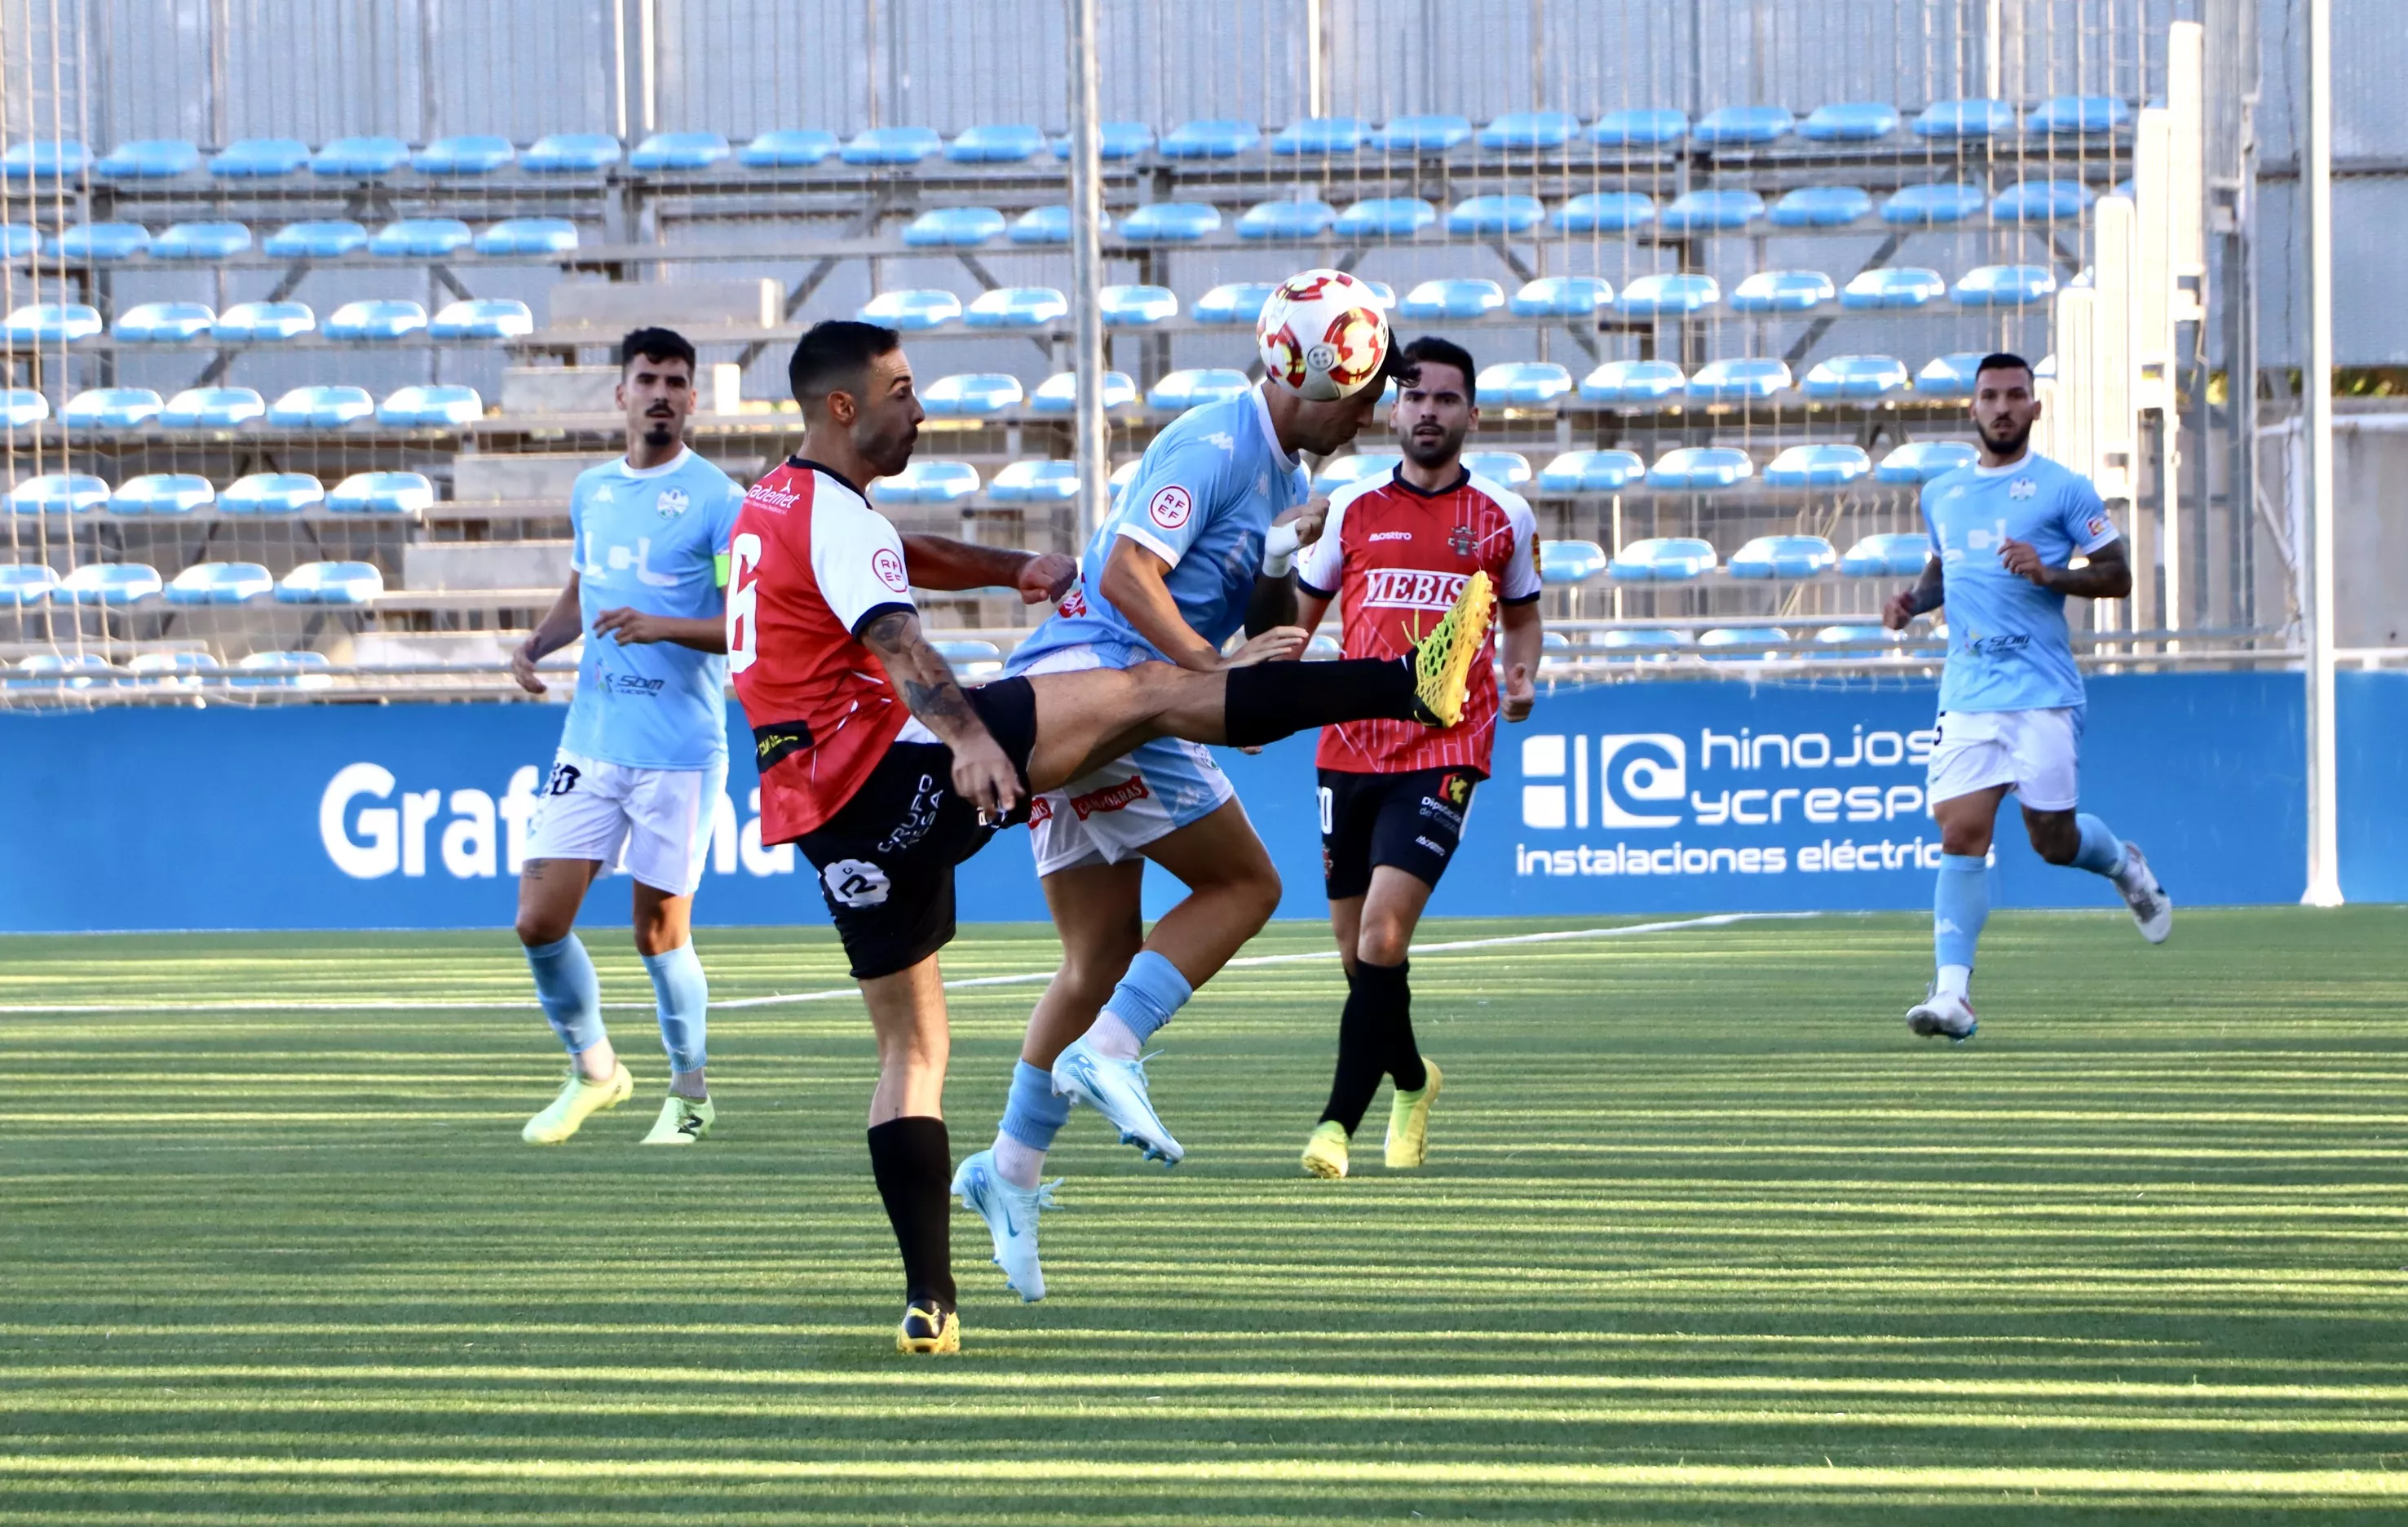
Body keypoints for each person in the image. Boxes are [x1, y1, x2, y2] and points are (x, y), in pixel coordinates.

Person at [727, 319, 1489, 1353]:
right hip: (903, 758)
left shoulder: (771, 507)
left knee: (926, 1046)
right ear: (843, 406)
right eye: (903, 390)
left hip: (825, 822)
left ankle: (935, 1297)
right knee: (1156, 701)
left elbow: (898, 557)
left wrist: (1014, 565)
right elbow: (896, 633)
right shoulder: (1209, 448)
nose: (922, 408)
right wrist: (965, 739)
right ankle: (1406, 682)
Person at [949, 269, 1406, 1305]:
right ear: (1329, 385)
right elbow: (1124, 575)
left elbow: (1239, 597)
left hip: (1075, 689)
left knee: (1096, 954)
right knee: (1246, 888)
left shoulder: (1277, 472)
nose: (1375, 412)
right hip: (1108, 693)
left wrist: (1282, 579)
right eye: (1370, 390)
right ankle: (1112, 1051)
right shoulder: (1215, 441)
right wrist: (1209, 677)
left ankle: (1007, 1171)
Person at [1290, 336, 1544, 1180]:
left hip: (1446, 748)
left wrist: (1521, 672)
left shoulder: (1504, 514)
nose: (1428, 410)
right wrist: (1259, 700)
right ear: (1393, 410)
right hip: (1349, 748)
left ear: (1471, 414)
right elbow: (1299, 618)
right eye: (1414, 396)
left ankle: (1334, 1126)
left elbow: (1521, 614)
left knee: (1383, 933)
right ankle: (1411, 1079)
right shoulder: (1351, 507)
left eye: (1445, 398)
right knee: (1362, 963)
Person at [1881, 352, 2173, 1042]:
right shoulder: (1941, 494)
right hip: (1968, 691)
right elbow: (1942, 570)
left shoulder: (2063, 490)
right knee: (1960, 833)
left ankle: (2124, 865)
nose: (2003, 407)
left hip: (2041, 692)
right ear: (1973, 408)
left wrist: (2049, 574)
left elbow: (2117, 575)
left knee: (2051, 840)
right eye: (1990, 396)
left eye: (2016, 395)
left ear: (2034, 407)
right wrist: (1913, 603)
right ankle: (1952, 995)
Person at [506, 328, 748, 1149]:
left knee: (658, 934)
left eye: (677, 382)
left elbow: (744, 627)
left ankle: (689, 1094)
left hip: (678, 752)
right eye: (647, 379)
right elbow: (582, 594)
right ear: (620, 393)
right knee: (538, 920)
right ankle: (596, 1072)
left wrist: (664, 627)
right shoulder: (593, 492)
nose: (661, 394)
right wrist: (537, 645)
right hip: (590, 741)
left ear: (692, 399)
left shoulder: (721, 501)